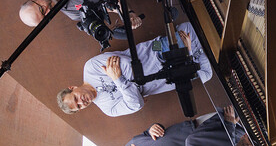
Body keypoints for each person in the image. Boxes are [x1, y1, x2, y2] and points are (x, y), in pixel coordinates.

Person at [57, 22, 212, 116]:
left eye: (76, 98)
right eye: (79, 107)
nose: (82, 102)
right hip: (172, 77)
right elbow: (137, 105)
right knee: (212, 67)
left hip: (157, 49)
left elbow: (128, 64)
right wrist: (117, 78)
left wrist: (134, 91)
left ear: (73, 88)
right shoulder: (108, 109)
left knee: (201, 29)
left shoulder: (90, 68)